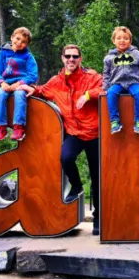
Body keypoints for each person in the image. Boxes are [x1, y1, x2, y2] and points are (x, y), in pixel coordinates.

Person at [20, 45, 104, 235]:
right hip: (74, 133)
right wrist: (31, 89)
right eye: (68, 56)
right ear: (62, 58)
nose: (71, 59)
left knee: (97, 177)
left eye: (75, 56)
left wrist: (88, 94)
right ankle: (76, 185)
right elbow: (42, 90)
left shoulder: (91, 77)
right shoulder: (56, 81)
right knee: (65, 157)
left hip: (95, 133)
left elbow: (107, 86)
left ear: (80, 59)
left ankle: (98, 218)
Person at [0, 27, 39, 142]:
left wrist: (20, 83)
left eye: (24, 42)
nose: (19, 43)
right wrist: (1, 83)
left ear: (27, 44)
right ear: (12, 37)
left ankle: (18, 128)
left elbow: (33, 74)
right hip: (6, 83)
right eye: (17, 39)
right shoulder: (2, 53)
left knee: (19, 95)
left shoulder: (28, 56)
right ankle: (0, 128)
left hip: (21, 84)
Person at [103, 26, 139, 135]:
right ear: (113, 40)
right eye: (119, 38)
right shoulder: (109, 57)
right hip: (117, 83)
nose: (122, 40)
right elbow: (106, 74)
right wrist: (105, 88)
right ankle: (115, 121)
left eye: (126, 38)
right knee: (111, 93)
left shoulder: (137, 54)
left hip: (133, 82)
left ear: (130, 41)